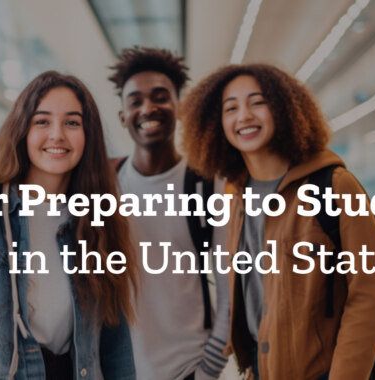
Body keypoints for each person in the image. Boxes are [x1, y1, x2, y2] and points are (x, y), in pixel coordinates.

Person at [0, 71, 138, 380]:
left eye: (72, 122)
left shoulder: (98, 220)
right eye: (42, 121)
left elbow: (115, 346)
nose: (57, 134)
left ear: (89, 135)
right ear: (22, 131)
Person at [180, 63, 375, 379]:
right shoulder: (236, 196)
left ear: (283, 109)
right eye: (231, 107)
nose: (244, 116)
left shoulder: (334, 185)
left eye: (258, 102)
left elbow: (368, 298)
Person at [107, 47, 229, 380]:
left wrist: (207, 372)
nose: (148, 108)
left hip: (189, 368)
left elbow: (230, 291)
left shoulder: (208, 185)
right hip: (120, 370)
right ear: (122, 116)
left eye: (160, 97)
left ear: (179, 108)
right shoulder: (107, 188)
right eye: (135, 101)